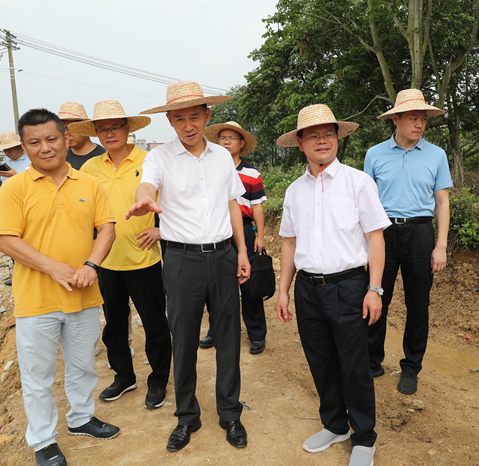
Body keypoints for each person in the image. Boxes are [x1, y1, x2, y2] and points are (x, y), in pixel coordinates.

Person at [0, 109, 119, 466]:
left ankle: (81, 418)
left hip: (84, 295)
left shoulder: (89, 183)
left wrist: (92, 264)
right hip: (36, 301)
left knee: (83, 366)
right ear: (24, 147)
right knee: (37, 377)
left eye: (51, 139)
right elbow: (5, 240)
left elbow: (106, 229)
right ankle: (44, 441)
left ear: (66, 138)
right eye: (34, 143)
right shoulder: (14, 188)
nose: (45, 148)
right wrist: (55, 268)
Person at [126, 81, 250, 452]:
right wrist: (145, 200)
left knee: (228, 338)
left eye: (195, 116)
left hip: (224, 256)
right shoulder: (159, 157)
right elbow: (146, 187)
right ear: (170, 120)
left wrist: (242, 252)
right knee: (183, 339)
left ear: (207, 116)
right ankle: (186, 416)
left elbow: (233, 205)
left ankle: (230, 413)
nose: (188, 125)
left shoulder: (221, 157)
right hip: (181, 260)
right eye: (179, 118)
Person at [275, 104, 390, 466]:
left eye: (328, 133)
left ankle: (364, 436)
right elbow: (289, 243)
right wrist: (282, 290)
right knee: (321, 360)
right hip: (308, 289)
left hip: (350, 287)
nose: (322, 140)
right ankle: (335, 424)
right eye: (313, 135)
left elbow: (375, 239)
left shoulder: (358, 182)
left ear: (337, 138)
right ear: (300, 144)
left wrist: (375, 289)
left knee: (354, 364)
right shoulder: (294, 191)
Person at [70, 100, 172, 409]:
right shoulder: (90, 168)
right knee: (114, 324)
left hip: (144, 260)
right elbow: (81, 209)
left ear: (128, 128)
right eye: (103, 129)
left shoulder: (150, 160)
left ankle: (158, 380)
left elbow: (175, 201)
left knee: (155, 323)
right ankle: (124, 376)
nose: (110, 133)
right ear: (97, 134)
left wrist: (160, 229)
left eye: (116, 127)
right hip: (106, 262)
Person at [364, 88, 452, 395]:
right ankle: (372, 360)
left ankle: (411, 367)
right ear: (396, 119)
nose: (419, 124)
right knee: (377, 297)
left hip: (420, 233)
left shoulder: (436, 155)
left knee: (418, 305)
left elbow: (442, 202)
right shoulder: (374, 155)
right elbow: (368, 202)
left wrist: (440, 245)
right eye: (413, 118)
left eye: (423, 119)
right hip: (383, 233)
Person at [200, 121, 267, 354]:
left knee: (249, 285)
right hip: (216, 233)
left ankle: (256, 334)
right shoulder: (208, 170)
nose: (226, 142)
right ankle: (215, 332)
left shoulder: (251, 173)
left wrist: (260, 235)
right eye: (222, 138)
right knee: (216, 286)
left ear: (241, 144)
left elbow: (257, 206)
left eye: (231, 138)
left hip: (245, 233)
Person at [58, 102, 106, 170]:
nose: (67, 134)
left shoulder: (104, 157)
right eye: (63, 129)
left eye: (71, 128)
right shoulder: (61, 159)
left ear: (84, 128)